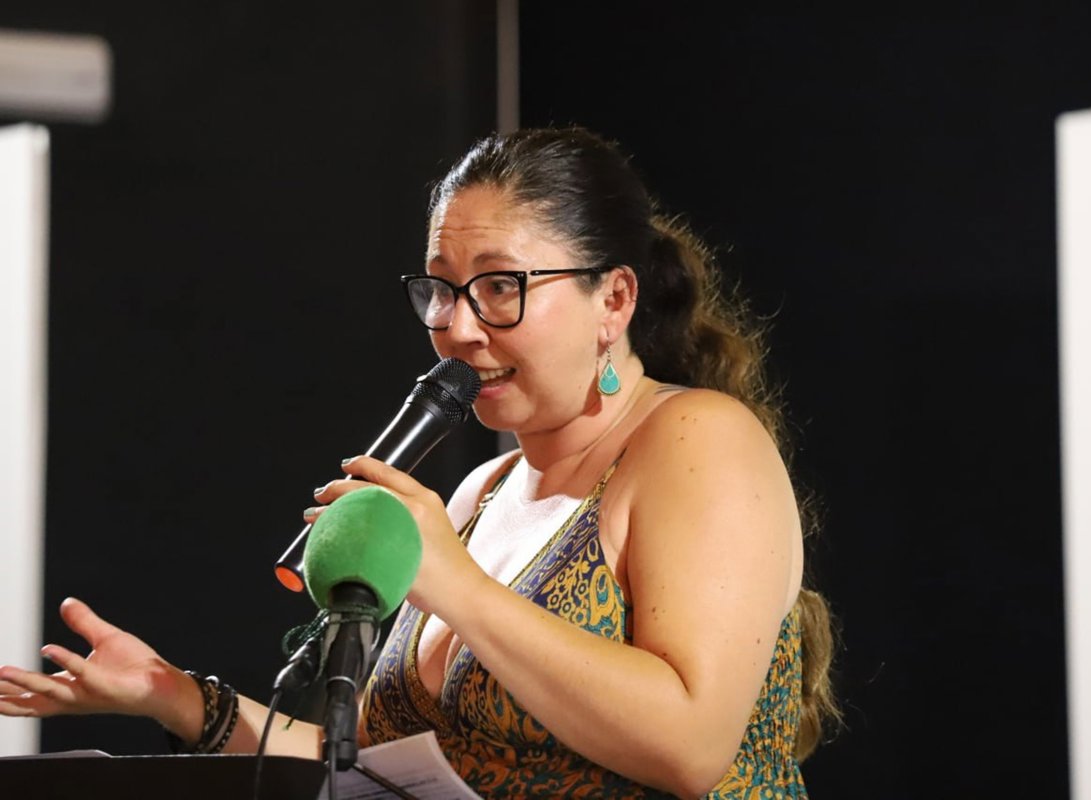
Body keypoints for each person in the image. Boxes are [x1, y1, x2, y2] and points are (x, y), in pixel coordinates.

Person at [0, 127, 837, 797]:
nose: (459, 328)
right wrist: (174, 695)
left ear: (613, 299)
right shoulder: (480, 494)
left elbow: (692, 747)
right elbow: (371, 766)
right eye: (441, 288)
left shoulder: (697, 439)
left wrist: (458, 588)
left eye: (500, 287)